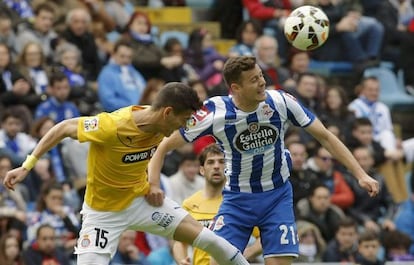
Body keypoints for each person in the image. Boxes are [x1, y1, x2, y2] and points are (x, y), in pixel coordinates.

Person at [148, 56, 379, 265]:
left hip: (277, 197)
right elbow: (164, 145)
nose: (262, 82)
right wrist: (154, 184)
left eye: (261, 76)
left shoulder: (281, 102)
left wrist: (361, 174)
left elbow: (325, 137)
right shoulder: (214, 111)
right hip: (237, 200)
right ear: (236, 88)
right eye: (253, 80)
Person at [3, 82, 250, 265]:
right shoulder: (113, 126)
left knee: (210, 240)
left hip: (140, 202)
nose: (183, 127)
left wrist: (153, 183)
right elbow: (64, 127)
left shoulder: (160, 127)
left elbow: (160, 150)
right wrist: (27, 165)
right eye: (183, 120)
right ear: (167, 112)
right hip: (102, 213)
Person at [173, 144, 262, 265]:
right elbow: (179, 242)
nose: (216, 166)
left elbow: (264, 238)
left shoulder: (240, 203)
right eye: (210, 162)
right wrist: (181, 260)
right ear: (202, 170)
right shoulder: (190, 204)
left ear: (229, 168)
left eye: (221, 162)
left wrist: (246, 253)